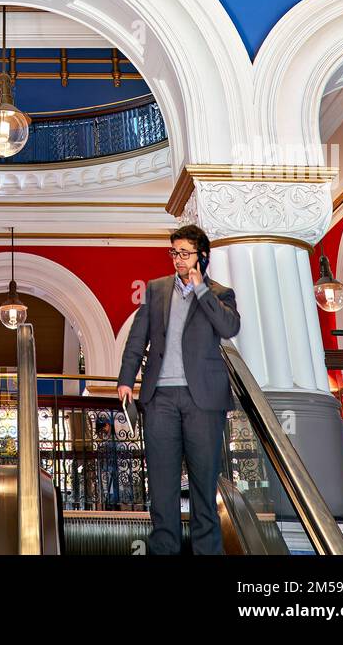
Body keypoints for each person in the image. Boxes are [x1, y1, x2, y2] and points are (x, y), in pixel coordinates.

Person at [117, 224, 241, 554]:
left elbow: (229, 328)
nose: (177, 259)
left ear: (202, 256)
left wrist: (200, 288)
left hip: (204, 401)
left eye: (184, 253)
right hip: (159, 400)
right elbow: (135, 340)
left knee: (203, 485)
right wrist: (126, 380)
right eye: (174, 252)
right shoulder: (156, 290)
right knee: (162, 485)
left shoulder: (219, 292)